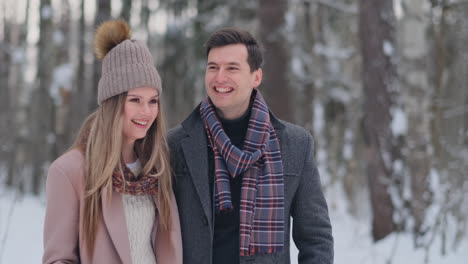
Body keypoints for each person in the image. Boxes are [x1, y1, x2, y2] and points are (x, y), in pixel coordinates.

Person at [168, 27, 333, 264]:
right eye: (213, 67)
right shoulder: (176, 144)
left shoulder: (295, 144)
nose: (219, 77)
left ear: (256, 77)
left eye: (232, 68)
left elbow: (316, 237)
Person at [43, 20, 182, 264]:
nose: (146, 112)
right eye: (135, 100)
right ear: (113, 103)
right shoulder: (69, 172)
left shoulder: (156, 168)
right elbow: (59, 259)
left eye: (153, 101)